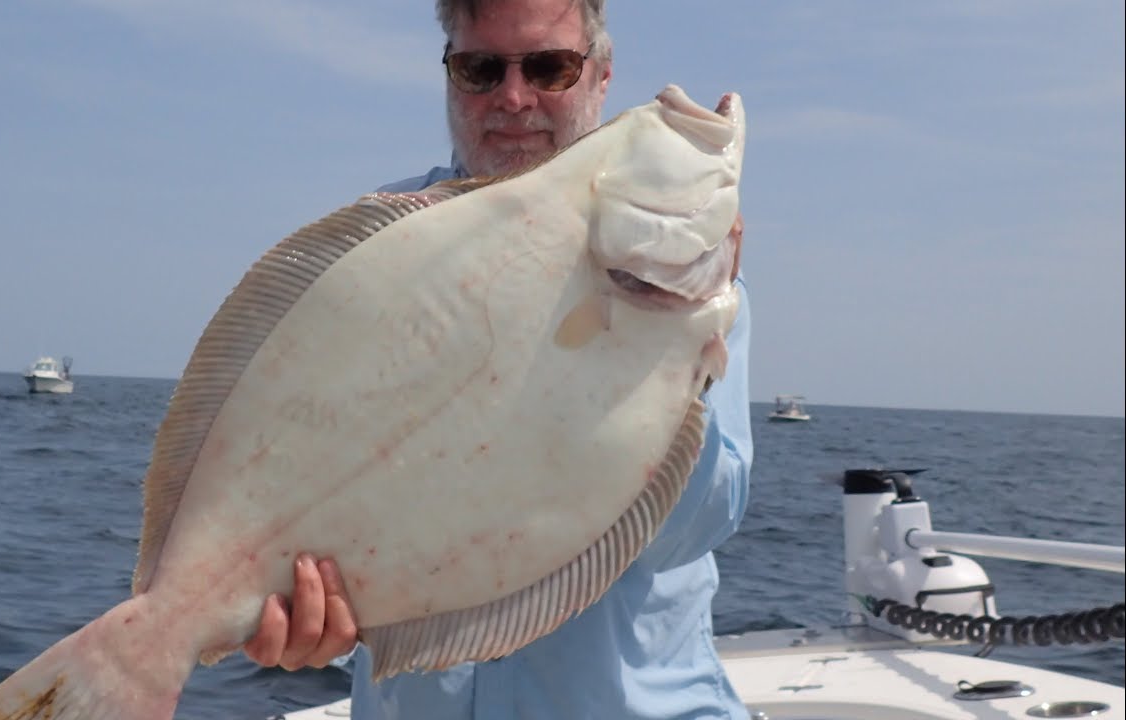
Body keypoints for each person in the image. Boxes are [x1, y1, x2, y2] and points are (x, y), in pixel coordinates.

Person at [243, 1, 753, 717]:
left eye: (550, 68)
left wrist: (665, 345)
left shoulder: (686, 282)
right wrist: (291, 608)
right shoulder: (379, 253)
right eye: (481, 69)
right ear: (449, 76)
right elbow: (299, 474)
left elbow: (693, 532)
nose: (513, 98)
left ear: (601, 77)